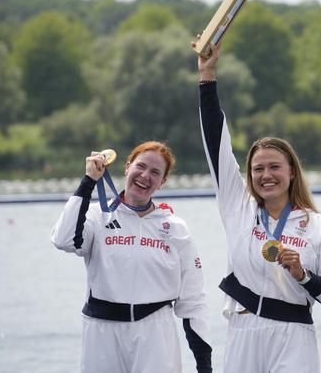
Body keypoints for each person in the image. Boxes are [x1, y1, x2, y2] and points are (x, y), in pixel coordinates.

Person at [195, 41, 321, 372]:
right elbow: (216, 146)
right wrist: (208, 76)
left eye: (274, 167)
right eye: (258, 169)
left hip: (293, 337)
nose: (265, 175)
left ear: (292, 171)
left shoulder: (319, 227)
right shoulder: (237, 208)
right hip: (243, 332)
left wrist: (304, 275)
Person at [51, 141, 212, 373]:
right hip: (102, 332)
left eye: (155, 172)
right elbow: (63, 239)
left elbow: (193, 301)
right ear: (127, 167)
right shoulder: (98, 216)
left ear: (163, 182)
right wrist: (89, 182)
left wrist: (204, 365)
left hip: (155, 334)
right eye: (141, 166)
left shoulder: (175, 228)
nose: (145, 176)